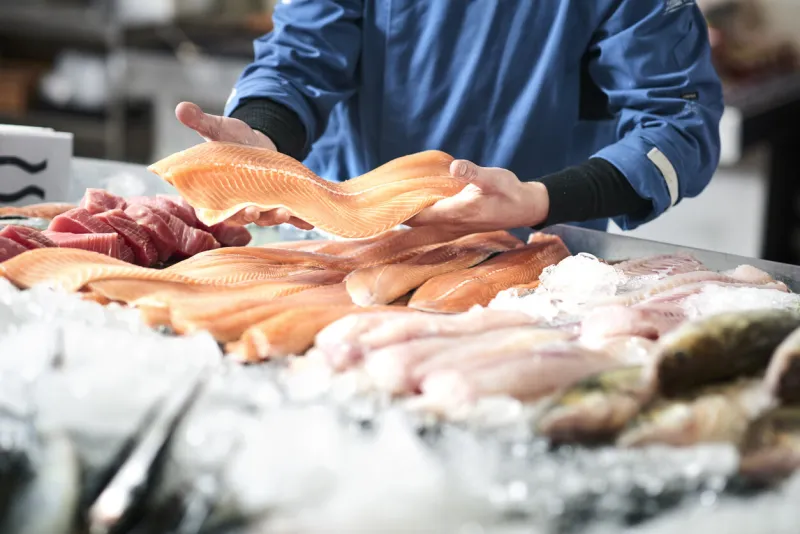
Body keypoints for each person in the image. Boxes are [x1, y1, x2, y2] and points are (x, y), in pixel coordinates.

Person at [176, 0, 723, 237]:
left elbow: (678, 124)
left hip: (536, 272)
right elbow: (298, 59)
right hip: (341, 251)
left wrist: (541, 200)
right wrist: (262, 133)